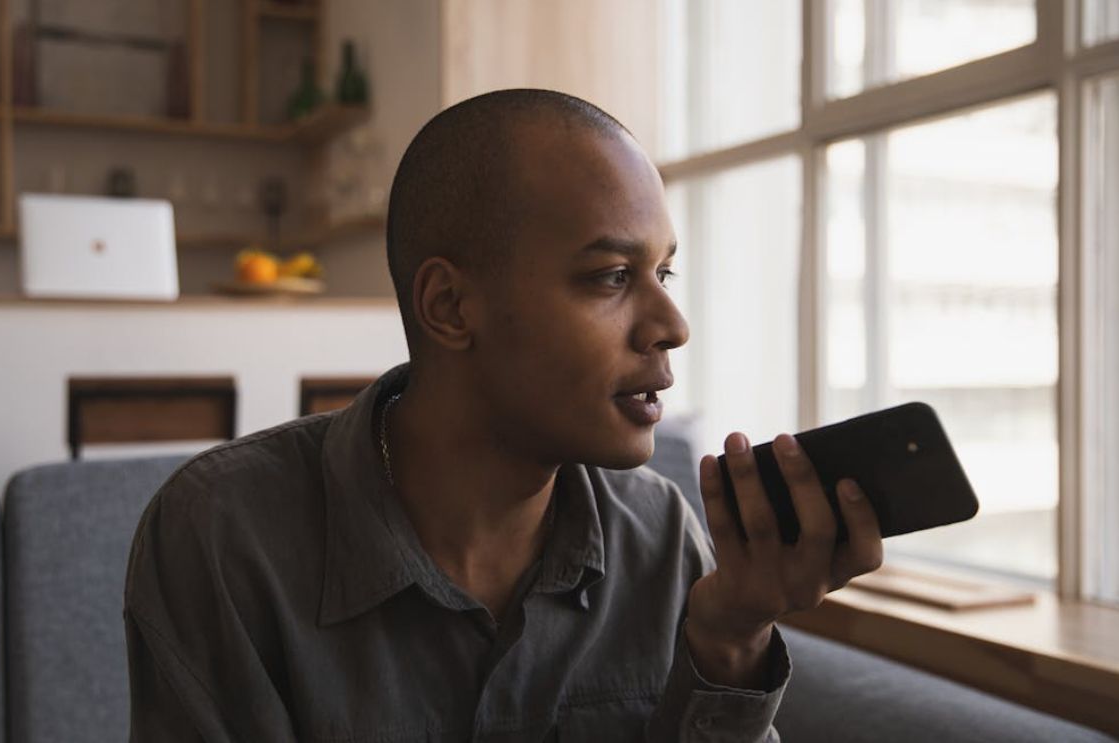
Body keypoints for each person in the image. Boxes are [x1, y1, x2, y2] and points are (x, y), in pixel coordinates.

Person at [123, 89, 884, 742]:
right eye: (612, 276)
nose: (671, 323)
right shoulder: (222, 534)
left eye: (664, 270)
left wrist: (726, 641)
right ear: (450, 307)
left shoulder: (658, 536)